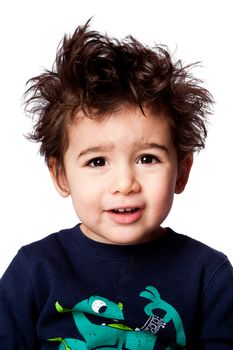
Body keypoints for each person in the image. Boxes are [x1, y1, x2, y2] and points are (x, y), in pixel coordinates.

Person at [0, 19, 232, 350]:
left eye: (147, 158)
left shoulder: (208, 275)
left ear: (182, 171)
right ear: (60, 175)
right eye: (97, 162)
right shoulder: (35, 271)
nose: (125, 184)